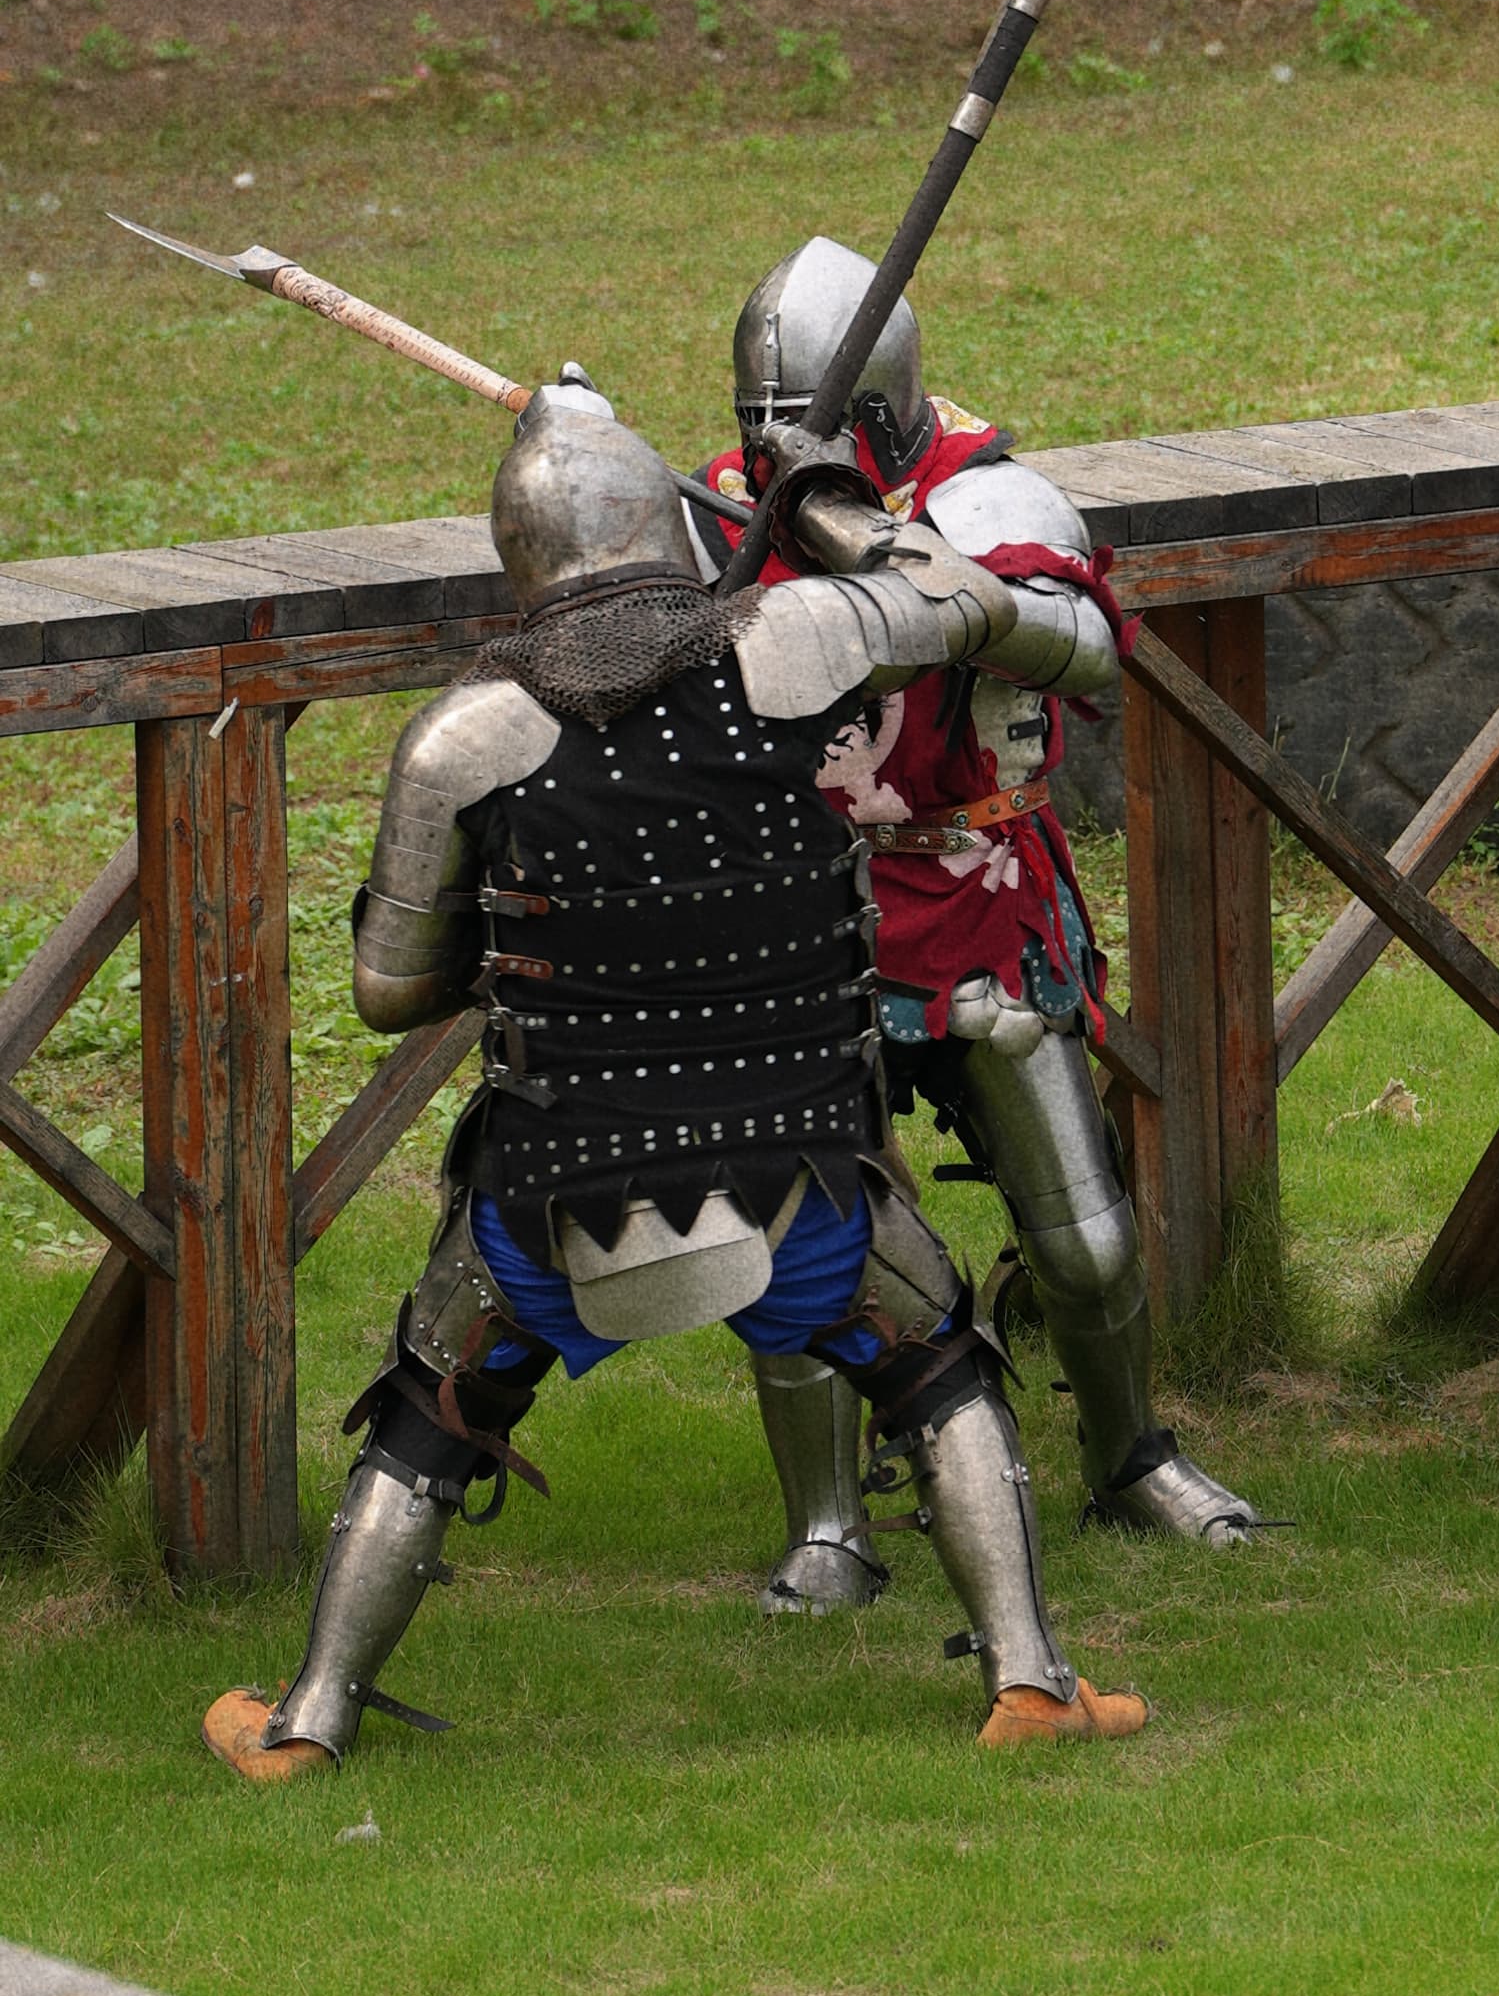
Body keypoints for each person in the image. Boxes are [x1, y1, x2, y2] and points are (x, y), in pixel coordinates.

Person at [203, 375, 1145, 1782]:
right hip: (798, 1175)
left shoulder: (465, 737)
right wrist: (828, 502)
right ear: (668, 525)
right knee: (941, 1369)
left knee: (429, 1419)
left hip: (558, 1183)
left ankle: (310, 1721)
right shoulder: (801, 640)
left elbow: (389, 991)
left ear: (517, 558)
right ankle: (1030, 1682)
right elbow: (955, 599)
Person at [704, 241, 1254, 1605]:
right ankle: (829, 1524)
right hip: (800, 902)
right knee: (799, 1237)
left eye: (803, 426)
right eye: (760, 426)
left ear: (880, 407)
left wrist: (877, 558)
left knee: (1086, 1240)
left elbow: (1083, 648)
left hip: (978, 890)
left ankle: (1129, 1458)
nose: (773, 451)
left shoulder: (990, 498)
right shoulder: (718, 511)